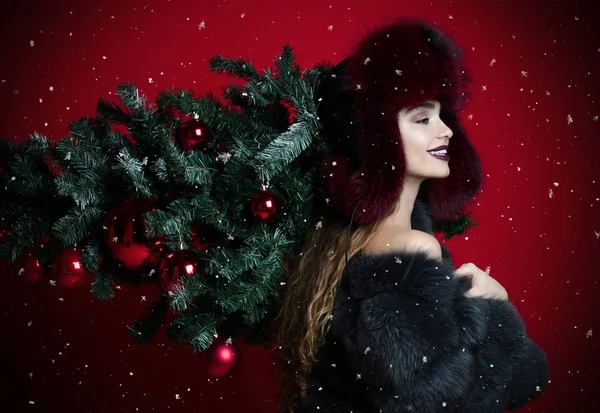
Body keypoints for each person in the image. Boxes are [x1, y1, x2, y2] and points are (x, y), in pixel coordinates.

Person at [274, 18, 549, 413]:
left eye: (441, 115)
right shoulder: (410, 249)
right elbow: (451, 401)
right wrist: (495, 307)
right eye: (422, 119)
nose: (446, 132)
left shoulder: (341, 242)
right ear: (379, 139)